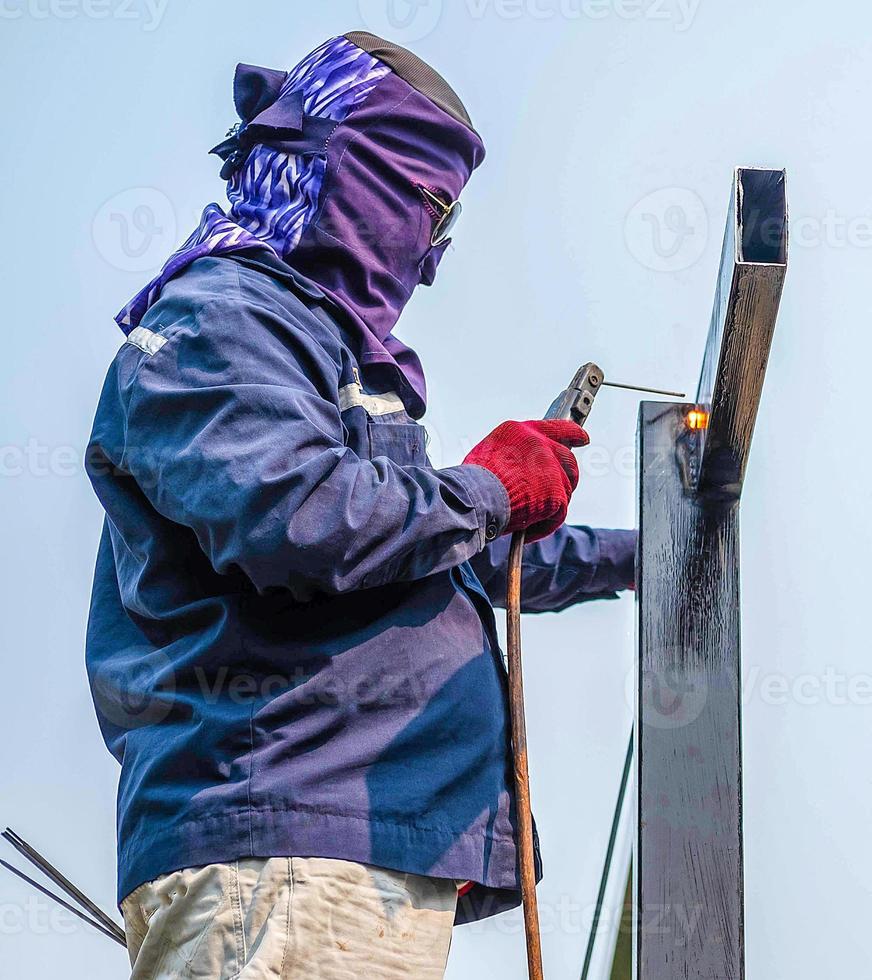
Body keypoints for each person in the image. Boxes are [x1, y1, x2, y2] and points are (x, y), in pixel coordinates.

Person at [82, 31, 633, 979]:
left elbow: (434, 554)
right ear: (351, 173)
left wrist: (646, 551)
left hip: (336, 858)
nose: (431, 253)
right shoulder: (224, 317)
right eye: (428, 207)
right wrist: (490, 489)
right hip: (285, 848)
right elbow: (301, 520)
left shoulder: (314, 353)